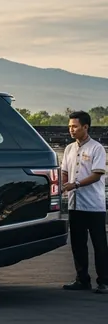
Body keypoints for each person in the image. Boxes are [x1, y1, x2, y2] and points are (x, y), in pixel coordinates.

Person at [60, 110, 107, 294]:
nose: (71, 130)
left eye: (75, 126)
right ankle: (82, 279)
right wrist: (65, 183)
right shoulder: (69, 149)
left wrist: (75, 184)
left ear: (85, 127)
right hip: (75, 204)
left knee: (99, 244)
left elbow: (97, 174)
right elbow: (65, 170)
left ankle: (104, 280)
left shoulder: (97, 148)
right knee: (78, 244)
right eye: (70, 126)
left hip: (94, 204)